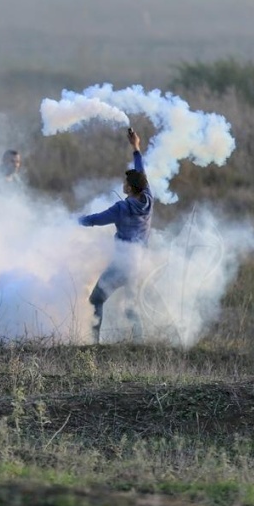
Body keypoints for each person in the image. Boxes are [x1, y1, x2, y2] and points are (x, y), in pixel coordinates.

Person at [78, 128, 152, 344]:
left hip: (122, 264)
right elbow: (141, 171)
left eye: (126, 182)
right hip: (139, 262)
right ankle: (140, 343)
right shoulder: (148, 197)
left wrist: (74, 220)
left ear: (129, 188)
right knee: (131, 306)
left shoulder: (121, 208)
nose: (123, 183)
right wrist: (135, 147)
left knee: (95, 300)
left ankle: (93, 346)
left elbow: (95, 220)